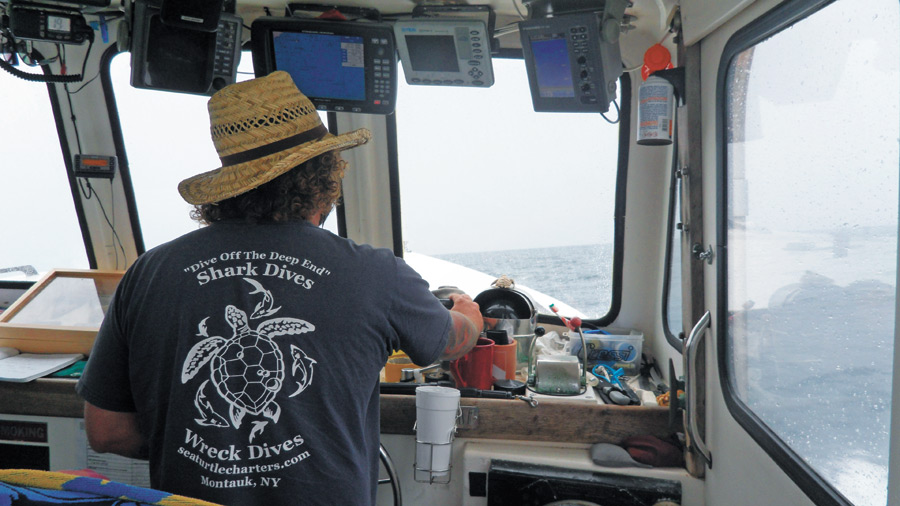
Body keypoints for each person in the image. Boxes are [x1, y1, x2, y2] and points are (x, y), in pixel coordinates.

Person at [75, 70, 484, 506]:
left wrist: (211, 447)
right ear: (325, 177)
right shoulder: (375, 272)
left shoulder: (148, 273)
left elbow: (106, 430)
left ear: (228, 186)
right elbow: (452, 341)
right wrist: (469, 315)